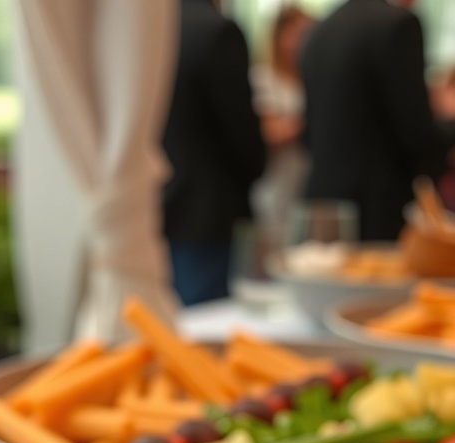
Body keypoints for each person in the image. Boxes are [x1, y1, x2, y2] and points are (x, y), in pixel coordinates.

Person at [299, 0, 455, 241]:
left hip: (323, 206)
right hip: (377, 208)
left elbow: (308, 134)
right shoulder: (397, 25)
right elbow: (415, 133)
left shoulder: (320, 30)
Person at [161, 0, 266, 306]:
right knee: (209, 329)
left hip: (163, 207)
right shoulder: (218, 32)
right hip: (209, 213)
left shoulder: (156, 30)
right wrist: (257, 166)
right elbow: (241, 133)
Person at [250, 4, 315, 232]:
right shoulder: (264, 77)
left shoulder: (310, 78)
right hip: (276, 183)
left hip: (306, 178)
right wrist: (308, 123)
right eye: (297, 34)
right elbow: (270, 131)